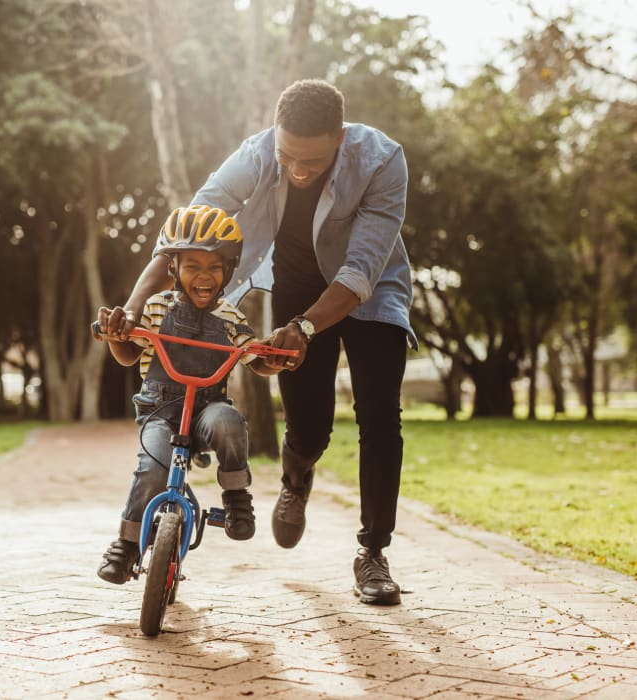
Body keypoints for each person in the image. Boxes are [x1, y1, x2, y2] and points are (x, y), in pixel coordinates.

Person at [104, 79, 416, 605]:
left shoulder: (383, 161)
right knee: (310, 426)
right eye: (288, 156)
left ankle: (373, 553)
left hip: (371, 290)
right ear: (276, 134)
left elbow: (361, 268)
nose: (298, 170)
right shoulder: (256, 154)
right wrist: (133, 308)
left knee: (380, 415)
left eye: (312, 162)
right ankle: (297, 478)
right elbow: (186, 232)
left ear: (340, 137)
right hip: (297, 285)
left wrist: (307, 329)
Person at [95, 205, 281, 585]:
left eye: (215, 267)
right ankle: (127, 545)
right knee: (153, 468)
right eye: (192, 265)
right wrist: (116, 337)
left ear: (228, 271)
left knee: (229, 423)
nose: (204, 275)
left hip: (207, 409)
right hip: (160, 411)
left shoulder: (230, 317)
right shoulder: (155, 307)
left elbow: (253, 358)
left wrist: (274, 359)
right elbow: (130, 353)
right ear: (173, 269)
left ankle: (235, 497)